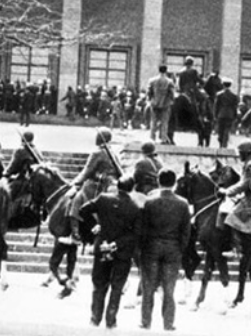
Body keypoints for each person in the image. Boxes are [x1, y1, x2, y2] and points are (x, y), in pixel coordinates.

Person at [80, 175, 142, 329]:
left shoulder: (103, 199)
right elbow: (135, 234)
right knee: (117, 286)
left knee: (99, 284)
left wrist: (94, 225)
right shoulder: (136, 207)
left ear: (118, 186)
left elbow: (83, 210)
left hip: (102, 247)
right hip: (122, 252)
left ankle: (95, 319)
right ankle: (111, 320)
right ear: (132, 188)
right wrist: (117, 244)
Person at [139, 169, 190, 331]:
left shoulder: (149, 201)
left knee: (148, 287)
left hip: (152, 247)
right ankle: (168, 323)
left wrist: (143, 248)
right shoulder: (182, 203)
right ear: (174, 182)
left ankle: (145, 321)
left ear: (158, 182)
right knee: (169, 289)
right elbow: (186, 231)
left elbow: (143, 228)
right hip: (173, 248)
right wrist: (179, 248)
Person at [66, 128, 121, 244]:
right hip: (111, 184)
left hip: (97, 185)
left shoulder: (97, 153)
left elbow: (86, 171)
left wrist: (74, 183)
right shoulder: (112, 152)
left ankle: (75, 233)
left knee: (76, 199)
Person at [217, 141, 251, 239]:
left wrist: (226, 191)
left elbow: (244, 185)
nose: (239, 155)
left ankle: (238, 247)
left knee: (231, 218)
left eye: (240, 153)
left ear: (246, 153)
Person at [148, 65, 175, 144]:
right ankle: (163, 139)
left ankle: (152, 138)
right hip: (165, 104)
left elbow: (149, 92)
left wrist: (151, 100)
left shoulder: (152, 80)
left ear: (159, 70)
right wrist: (171, 101)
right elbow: (172, 94)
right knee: (164, 122)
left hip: (154, 104)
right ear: (166, 71)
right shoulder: (169, 81)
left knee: (153, 121)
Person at [213, 79, 239, 149]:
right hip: (230, 115)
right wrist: (235, 116)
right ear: (230, 85)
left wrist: (215, 115)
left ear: (223, 85)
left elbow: (216, 106)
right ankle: (225, 144)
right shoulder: (234, 95)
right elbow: (235, 107)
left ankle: (221, 143)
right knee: (227, 130)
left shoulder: (219, 94)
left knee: (220, 130)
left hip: (221, 114)